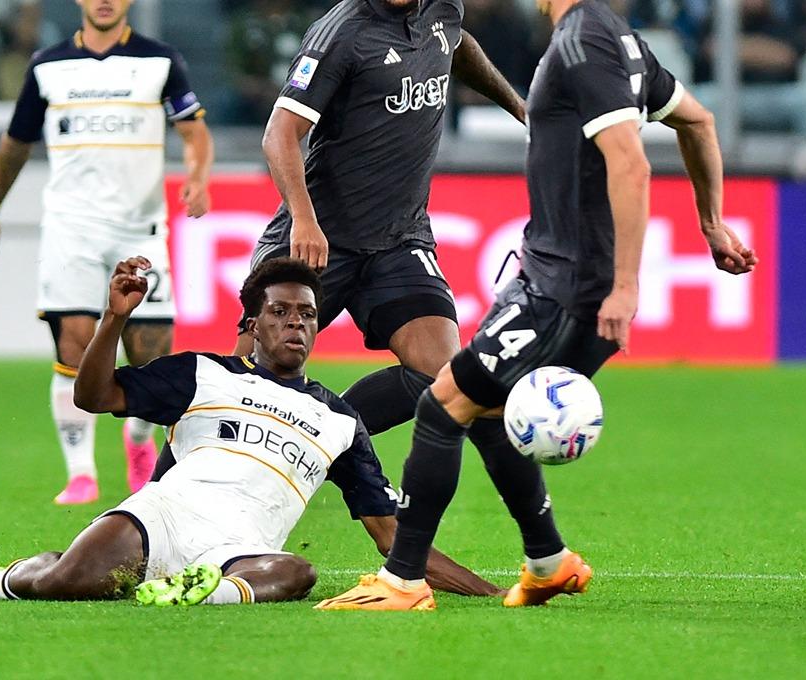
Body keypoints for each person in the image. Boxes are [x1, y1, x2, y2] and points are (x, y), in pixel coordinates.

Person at [318, 0, 757, 611]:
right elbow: (700, 121)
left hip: (561, 288)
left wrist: (625, 288)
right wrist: (712, 224)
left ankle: (403, 582)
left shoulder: (583, 43)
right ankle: (548, 561)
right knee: (488, 409)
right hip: (568, 282)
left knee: (442, 407)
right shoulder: (622, 41)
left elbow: (630, 164)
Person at [0, 257, 499, 605]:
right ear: (252, 323)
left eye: (308, 315)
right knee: (69, 580)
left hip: (238, 550)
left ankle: (199, 591)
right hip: (166, 514)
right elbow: (93, 395)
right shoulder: (202, 374)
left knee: (297, 573)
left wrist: (490, 593)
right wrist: (115, 318)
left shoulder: (339, 421)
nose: (296, 324)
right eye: (280, 312)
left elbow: (393, 540)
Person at [235, 0, 528, 442]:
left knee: (443, 376)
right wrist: (303, 218)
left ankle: (322, 438)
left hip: (399, 240)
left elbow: (455, 44)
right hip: (319, 240)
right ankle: (160, 495)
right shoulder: (342, 33)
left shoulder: (445, 10)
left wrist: (521, 109)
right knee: (244, 390)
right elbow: (279, 132)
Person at [0, 0, 214, 505]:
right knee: (74, 347)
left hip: (140, 231)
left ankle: (139, 440)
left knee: (152, 356)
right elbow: (15, 144)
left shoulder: (161, 61)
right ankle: (81, 474)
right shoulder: (47, 66)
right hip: (71, 229)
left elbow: (193, 132)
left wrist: (196, 176)